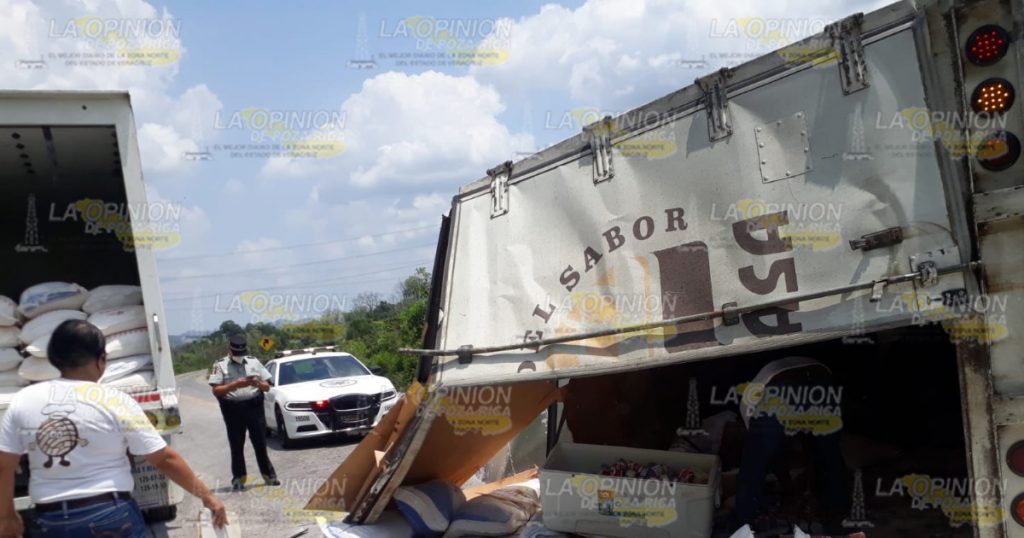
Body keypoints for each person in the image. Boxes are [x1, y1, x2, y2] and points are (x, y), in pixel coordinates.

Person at [0, 319, 227, 537]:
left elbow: (4, 466)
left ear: (53, 359)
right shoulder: (115, 400)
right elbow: (163, 459)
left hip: (51, 521)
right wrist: (207, 497)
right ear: (102, 359)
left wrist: (7, 516)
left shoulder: (23, 400)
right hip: (110, 514)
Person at [735, 356, 849, 532]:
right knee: (829, 453)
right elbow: (809, 449)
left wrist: (789, 490)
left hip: (780, 385)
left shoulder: (748, 414)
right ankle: (837, 514)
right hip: (821, 376)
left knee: (753, 466)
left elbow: (767, 457)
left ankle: (744, 523)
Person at [208, 334, 279, 490]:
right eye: (237, 353)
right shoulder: (220, 365)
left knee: (260, 442)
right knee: (236, 445)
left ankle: (269, 476)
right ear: (230, 350)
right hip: (232, 409)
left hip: (254, 407)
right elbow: (216, 390)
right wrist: (235, 385)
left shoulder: (253, 361)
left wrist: (257, 383)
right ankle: (239, 479)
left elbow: (267, 386)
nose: (240, 356)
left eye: (242, 353)